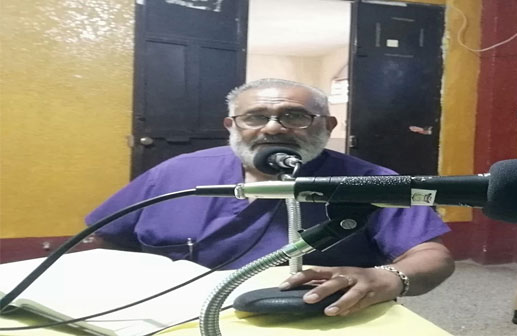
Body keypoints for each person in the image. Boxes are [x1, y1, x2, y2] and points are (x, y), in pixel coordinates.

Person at [86, 78, 454, 317]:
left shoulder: (371, 181)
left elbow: (432, 256)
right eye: (255, 117)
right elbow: (105, 240)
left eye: (294, 116)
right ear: (232, 126)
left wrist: (390, 278)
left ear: (327, 125)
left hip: (311, 317)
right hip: (170, 316)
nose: (274, 127)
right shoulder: (176, 173)